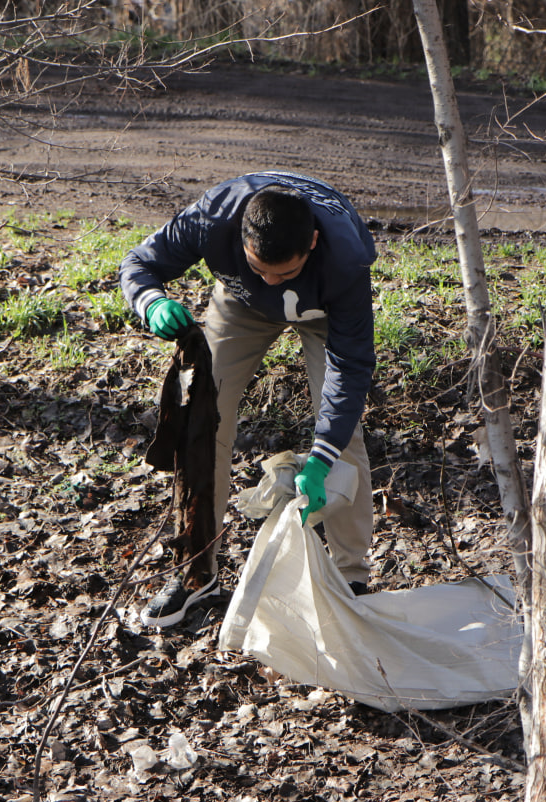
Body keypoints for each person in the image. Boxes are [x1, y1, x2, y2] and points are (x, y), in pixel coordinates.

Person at [120, 171, 377, 627]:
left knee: (343, 435)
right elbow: (139, 263)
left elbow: (349, 370)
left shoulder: (346, 258)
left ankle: (350, 578)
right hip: (240, 303)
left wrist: (321, 458)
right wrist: (151, 302)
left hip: (323, 309)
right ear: (240, 238)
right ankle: (196, 572)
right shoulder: (211, 218)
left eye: (286, 272)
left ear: (312, 243)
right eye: (260, 268)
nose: (273, 281)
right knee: (204, 417)